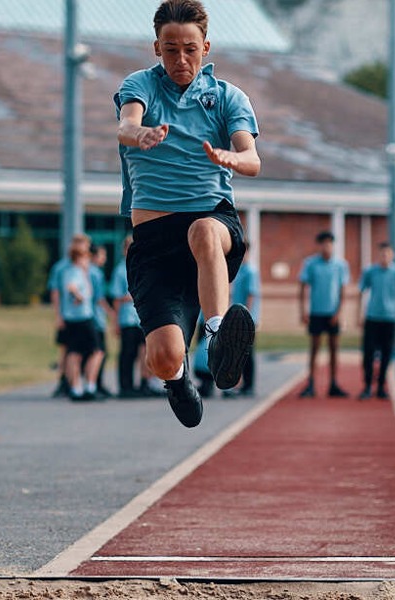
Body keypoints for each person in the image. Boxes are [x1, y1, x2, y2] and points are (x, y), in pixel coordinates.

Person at [116, 0, 262, 428]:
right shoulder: (140, 85)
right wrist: (140, 134)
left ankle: (218, 337)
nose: (181, 59)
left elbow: (252, 158)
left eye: (190, 49)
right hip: (154, 243)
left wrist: (232, 158)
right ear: (156, 48)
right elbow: (125, 125)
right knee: (163, 355)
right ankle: (177, 379)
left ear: (206, 47)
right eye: (171, 49)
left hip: (212, 221)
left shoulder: (227, 97)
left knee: (202, 230)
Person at [297, 231, 350, 398]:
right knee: (314, 349)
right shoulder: (310, 263)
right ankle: (311, 384)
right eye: (323, 243)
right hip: (316, 312)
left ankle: (333, 384)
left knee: (334, 349)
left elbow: (343, 290)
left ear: (333, 245)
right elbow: (303, 287)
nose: (326, 246)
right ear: (319, 245)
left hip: (333, 314)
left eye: (329, 243)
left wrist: (339, 313)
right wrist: (303, 311)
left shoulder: (341, 265)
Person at [356, 242, 395, 399]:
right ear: (378, 255)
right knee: (368, 353)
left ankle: (381, 386)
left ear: (392, 255)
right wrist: (359, 314)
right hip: (372, 317)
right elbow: (361, 291)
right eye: (382, 253)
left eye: (388, 253)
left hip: (391, 318)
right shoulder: (370, 271)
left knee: (387, 353)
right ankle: (367, 386)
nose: (385, 256)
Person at [111, 236, 158, 397]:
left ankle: (145, 382)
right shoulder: (120, 270)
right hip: (128, 318)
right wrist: (115, 321)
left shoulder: (144, 267)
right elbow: (117, 299)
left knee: (145, 352)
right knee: (128, 353)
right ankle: (126, 386)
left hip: (143, 318)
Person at [55, 245, 103, 401]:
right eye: (86, 258)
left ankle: (76, 388)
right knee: (97, 351)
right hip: (82, 318)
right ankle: (89, 386)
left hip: (71, 318)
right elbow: (71, 287)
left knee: (74, 353)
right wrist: (79, 297)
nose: (88, 261)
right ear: (79, 258)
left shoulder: (70, 272)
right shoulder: (75, 272)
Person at [48, 234, 93, 398]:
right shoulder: (62, 268)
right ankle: (66, 382)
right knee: (67, 350)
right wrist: (58, 315)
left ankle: (75, 383)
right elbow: (55, 292)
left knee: (78, 350)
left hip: (83, 314)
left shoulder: (85, 266)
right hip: (70, 315)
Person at [230, 259, 261, 397]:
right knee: (240, 351)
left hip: (247, 318)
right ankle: (242, 384)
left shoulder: (250, 272)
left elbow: (251, 294)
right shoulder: (238, 271)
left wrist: (246, 315)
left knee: (247, 352)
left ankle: (249, 386)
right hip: (238, 317)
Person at [86, 245, 115, 398]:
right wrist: (111, 313)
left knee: (93, 352)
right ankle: (94, 385)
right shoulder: (95, 273)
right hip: (96, 318)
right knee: (99, 352)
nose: (104, 259)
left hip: (88, 317)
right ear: (94, 256)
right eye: (102, 255)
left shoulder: (85, 270)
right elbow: (99, 298)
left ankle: (95, 384)